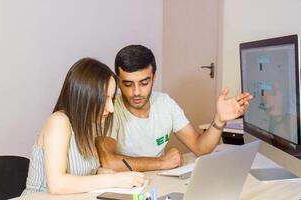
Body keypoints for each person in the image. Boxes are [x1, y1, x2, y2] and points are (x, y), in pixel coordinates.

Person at [95, 45, 253, 172]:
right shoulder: (109, 109)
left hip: (157, 184)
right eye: (128, 84)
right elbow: (108, 161)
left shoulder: (165, 103)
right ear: (118, 81)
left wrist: (219, 119)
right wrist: (161, 163)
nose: (136, 92)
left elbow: (200, 148)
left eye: (144, 83)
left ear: (154, 77)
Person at [21, 58, 145, 195]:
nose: (111, 108)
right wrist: (113, 180)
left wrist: (99, 172)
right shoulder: (58, 122)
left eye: (112, 98)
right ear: (84, 96)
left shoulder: (88, 125)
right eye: (104, 98)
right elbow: (57, 185)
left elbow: (78, 171)